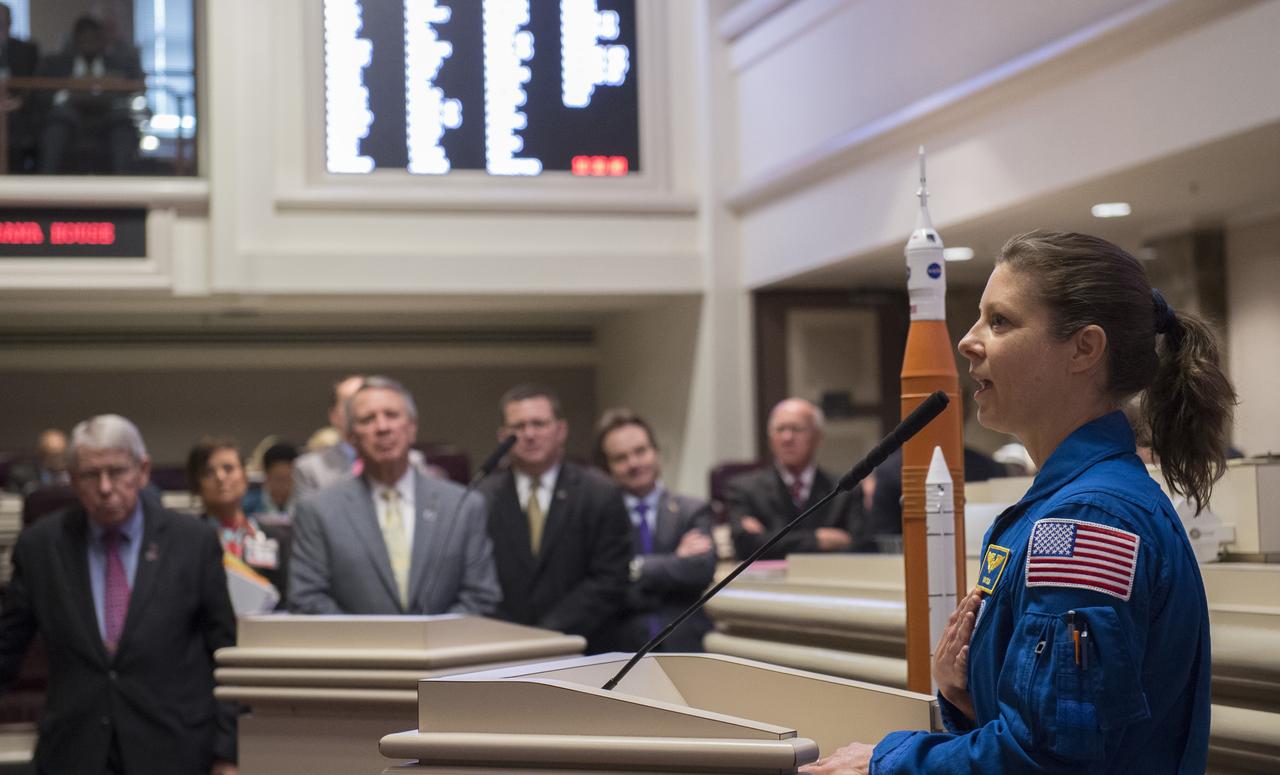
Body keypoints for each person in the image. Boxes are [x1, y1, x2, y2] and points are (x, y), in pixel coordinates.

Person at [804, 231, 1232, 774]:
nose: (968, 341)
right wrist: (970, 698)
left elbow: (1051, 758)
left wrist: (885, 764)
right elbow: (1066, 729)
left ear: (1084, 348)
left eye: (1000, 321)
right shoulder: (1064, 503)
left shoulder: (1085, 520)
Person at [0, 414, 238, 775]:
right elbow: (6, 648)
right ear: (73, 479)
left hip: (174, 749)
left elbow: (225, 653)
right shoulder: (41, 548)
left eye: (117, 472)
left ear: (142, 471)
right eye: (91, 475)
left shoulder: (192, 542)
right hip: (74, 752)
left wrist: (227, 752)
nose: (106, 487)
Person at [288, 376, 501, 615]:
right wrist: (377, 644)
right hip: (358, 650)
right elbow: (307, 598)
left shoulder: (462, 506)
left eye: (392, 415)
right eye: (367, 419)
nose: (382, 427)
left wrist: (427, 642)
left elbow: (481, 596)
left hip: (443, 649)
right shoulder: (319, 510)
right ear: (351, 436)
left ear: (412, 427)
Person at [477, 384, 631, 654]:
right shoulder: (481, 498)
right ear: (503, 437)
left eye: (539, 423)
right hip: (501, 650)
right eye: (518, 427)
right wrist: (514, 636)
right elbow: (477, 579)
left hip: (585, 649)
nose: (529, 434)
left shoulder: (600, 493)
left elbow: (609, 579)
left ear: (561, 430)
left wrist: (547, 633)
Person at [593, 409, 716, 652]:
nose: (634, 464)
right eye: (620, 458)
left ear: (656, 452)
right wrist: (673, 564)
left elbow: (700, 570)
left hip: (686, 647)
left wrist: (636, 567)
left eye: (641, 451)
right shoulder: (598, 520)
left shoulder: (691, 511)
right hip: (619, 649)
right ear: (607, 467)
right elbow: (605, 588)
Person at [727, 398, 878, 559]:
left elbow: (860, 546)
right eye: (779, 429)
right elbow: (746, 546)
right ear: (770, 438)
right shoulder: (744, 489)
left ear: (818, 437)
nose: (787, 438)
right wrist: (817, 539)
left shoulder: (845, 488)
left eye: (796, 429)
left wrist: (769, 539)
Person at [187, 437, 290, 607]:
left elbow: (286, 599)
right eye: (208, 472)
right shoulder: (187, 538)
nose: (220, 477)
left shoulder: (275, 538)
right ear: (196, 484)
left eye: (228, 469)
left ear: (244, 476)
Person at [35, 15, 143, 174]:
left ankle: (123, 191)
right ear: (75, 40)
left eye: (94, 38)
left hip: (108, 117)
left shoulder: (121, 63)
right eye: (84, 38)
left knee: (123, 127)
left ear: (102, 41)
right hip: (69, 118)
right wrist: (67, 95)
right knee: (56, 126)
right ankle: (46, 188)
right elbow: (41, 94)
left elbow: (134, 91)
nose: (89, 42)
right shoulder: (54, 64)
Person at [292, 374, 366, 499]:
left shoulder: (404, 463)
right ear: (334, 415)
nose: (359, 409)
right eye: (350, 402)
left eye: (365, 401)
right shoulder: (309, 468)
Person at [244, 441, 299, 523]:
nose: (283, 486)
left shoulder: (303, 506)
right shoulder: (248, 506)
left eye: (288, 479)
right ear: (267, 476)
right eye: (278, 479)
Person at [6, 428, 70, 495]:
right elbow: (13, 502)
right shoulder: (20, 476)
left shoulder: (74, 475)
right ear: (41, 454)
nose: (60, 460)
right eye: (54, 456)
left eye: (63, 455)